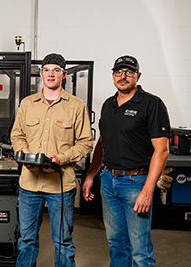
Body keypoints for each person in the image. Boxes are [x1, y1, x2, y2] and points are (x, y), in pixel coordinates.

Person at [82, 55, 171, 266]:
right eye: (118, 72)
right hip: (108, 182)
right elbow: (102, 145)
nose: (123, 76)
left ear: (138, 76)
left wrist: (148, 191)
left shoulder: (152, 104)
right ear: (113, 75)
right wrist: (90, 176)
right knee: (116, 242)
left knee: (140, 249)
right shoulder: (108, 105)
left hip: (136, 183)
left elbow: (162, 150)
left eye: (129, 72)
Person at [11, 53, 94, 267]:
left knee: (63, 241)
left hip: (60, 186)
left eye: (56, 70)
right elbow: (17, 135)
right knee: (26, 240)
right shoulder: (28, 104)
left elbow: (86, 143)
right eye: (47, 69)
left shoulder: (76, 106)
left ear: (64, 75)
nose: (51, 73)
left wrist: (60, 159)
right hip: (29, 184)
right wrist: (24, 154)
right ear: (41, 74)